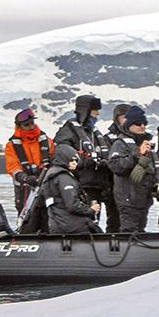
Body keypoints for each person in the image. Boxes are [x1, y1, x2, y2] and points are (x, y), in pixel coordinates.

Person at [54, 95, 116, 232]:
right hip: (81, 186)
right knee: (84, 222)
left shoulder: (94, 133)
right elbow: (61, 154)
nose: (97, 114)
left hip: (97, 186)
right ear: (86, 111)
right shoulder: (68, 132)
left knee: (94, 220)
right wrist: (84, 162)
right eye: (95, 111)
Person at [4, 108, 54, 233]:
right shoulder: (11, 146)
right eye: (27, 125)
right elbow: (12, 166)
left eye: (32, 123)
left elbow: (54, 159)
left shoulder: (46, 141)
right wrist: (24, 177)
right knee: (28, 223)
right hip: (25, 190)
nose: (31, 126)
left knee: (48, 221)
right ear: (19, 126)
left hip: (46, 187)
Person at [108, 105, 156, 232]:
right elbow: (116, 166)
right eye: (138, 123)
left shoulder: (146, 144)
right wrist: (137, 154)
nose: (142, 126)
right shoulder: (120, 144)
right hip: (128, 199)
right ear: (129, 125)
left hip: (143, 198)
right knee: (129, 231)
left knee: (140, 230)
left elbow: (153, 168)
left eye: (144, 123)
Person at [41, 144, 102, 234]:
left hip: (56, 223)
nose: (75, 163)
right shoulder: (64, 178)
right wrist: (91, 210)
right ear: (63, 159)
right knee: (96, 231)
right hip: (71, 225)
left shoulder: (51, 174)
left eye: (76, 160)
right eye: (71, 160)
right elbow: (72, 205)